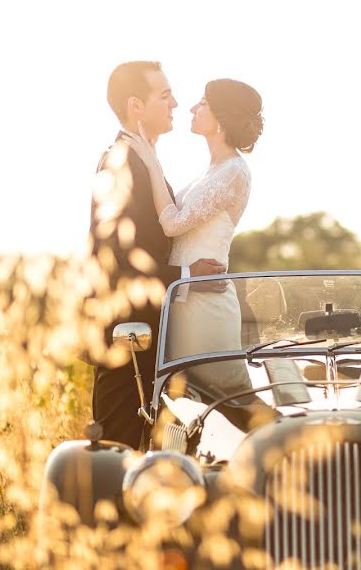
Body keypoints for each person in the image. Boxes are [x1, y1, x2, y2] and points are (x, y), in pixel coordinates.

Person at [88, 61, 225, 448]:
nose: (176, 104)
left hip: (158, 338)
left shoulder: (142, 159)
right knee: (120, 457)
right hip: (127, 344)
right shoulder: (119, 162)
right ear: (136, 106)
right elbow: (116, 256)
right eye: (164, 95)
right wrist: (185, 272)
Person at [123, 78, 263, 410]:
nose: (192, 108)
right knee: (190, 408)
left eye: (202, 103)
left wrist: (151, 162)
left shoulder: (234, 173)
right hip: (183, 304)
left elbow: (171, 223)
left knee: (231, 403)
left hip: (207, 307)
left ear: (221, 117)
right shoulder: (209, 172)